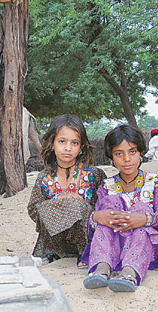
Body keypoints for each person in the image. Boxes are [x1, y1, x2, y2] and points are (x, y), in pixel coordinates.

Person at [83, 124, 158, 292]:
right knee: (107, 210)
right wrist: (96, 217)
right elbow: (94, 227)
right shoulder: (106, 186)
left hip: (145, 247)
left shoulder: (154, 183)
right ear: (111, 157)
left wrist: (145, 218)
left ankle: (129, 273)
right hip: (113, 245)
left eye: (132, 151)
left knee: (141, 209)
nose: (127, 159)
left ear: (140, 153)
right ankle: (101, 269)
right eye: (119, 153)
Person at [27, 114, 106, 266]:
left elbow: (104, 206)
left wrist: (79, 206)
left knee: (75, 204)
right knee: (57, 204)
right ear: (52, 143)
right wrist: (57, 204)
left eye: (74, 143)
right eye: (62, 141)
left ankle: (84, 254)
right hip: (53, 243)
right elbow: (33, 209)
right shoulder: (44, 177)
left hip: (87, 239)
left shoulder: (93, 174)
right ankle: (55, 253)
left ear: (82, 146)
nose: (68, 148)